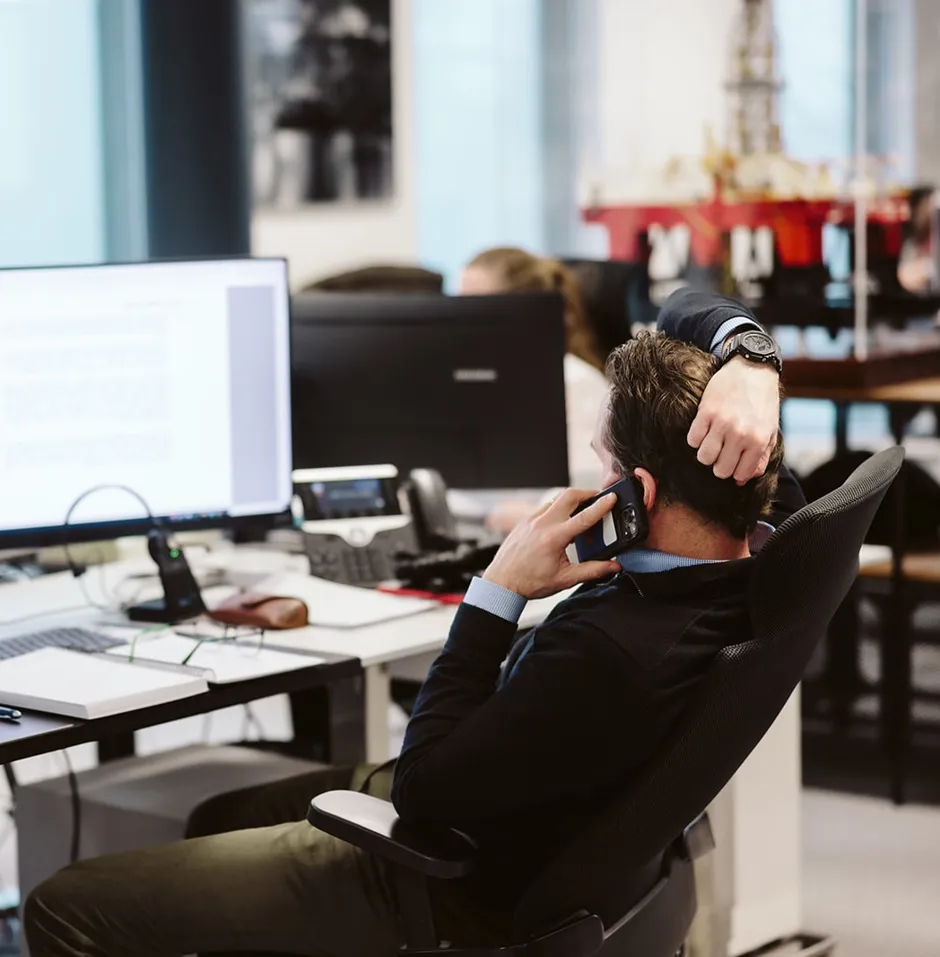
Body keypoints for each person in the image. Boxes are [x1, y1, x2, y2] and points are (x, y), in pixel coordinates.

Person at [25, 291, 800, 957]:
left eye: (600, 465)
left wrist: (496, 592)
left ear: (637, 493)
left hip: (445, 878)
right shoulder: (766, 554)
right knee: (217, 814)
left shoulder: (607, 647)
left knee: (63, 904)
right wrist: (752, 358)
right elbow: (679, 309)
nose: (588, 482)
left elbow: (425, 791)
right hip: (542, 830)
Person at [459, 247, 610, 505]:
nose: (461, 319)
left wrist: (530, 513)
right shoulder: (474, 378)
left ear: (520, 310)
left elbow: (593, 487)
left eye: (476, 306)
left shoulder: (575, 381)